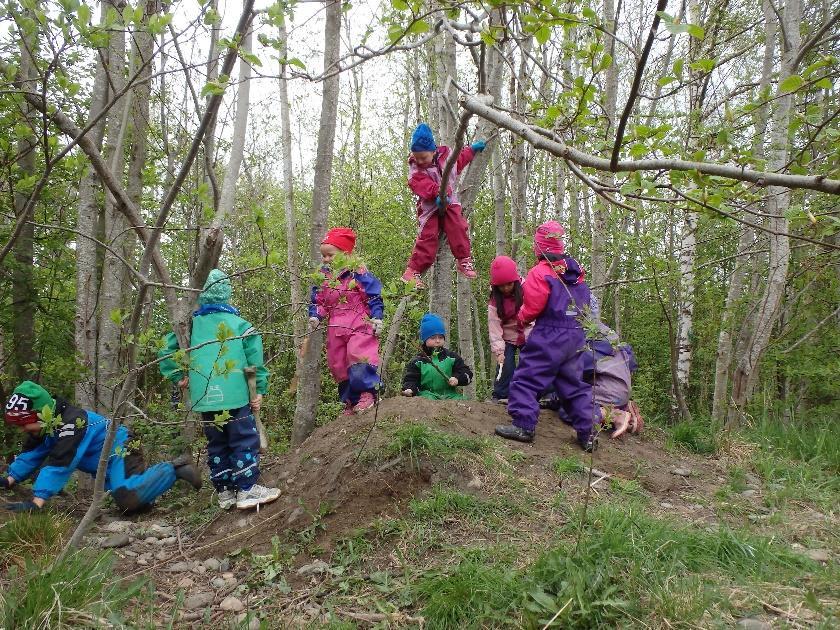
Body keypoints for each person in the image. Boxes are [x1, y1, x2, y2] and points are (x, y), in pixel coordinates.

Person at [159, 269, 279, 511]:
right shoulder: (241, 325)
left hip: (205, 398)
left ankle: (225, 491)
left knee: (217, 442)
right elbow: (254, 364)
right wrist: (258, 391)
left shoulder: (189, 327)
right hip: (236, 397)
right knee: (244, 438)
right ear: (227, 295)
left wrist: (178, 375)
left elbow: (165, 350)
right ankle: (246, 489)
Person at [1, 381, 201, 513]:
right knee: (129, 506)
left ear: (40, 414)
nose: (23, 430)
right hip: (105, 465)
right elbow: (31, 454)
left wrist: (37, 502)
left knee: (127, 497)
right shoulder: (45, 427)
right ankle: (144, 497)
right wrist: (8, 480)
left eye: (23, 424)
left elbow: (62, 462)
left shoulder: (72, 422)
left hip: (121, 447)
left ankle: (176, 468)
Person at [495, 221, 601, 452]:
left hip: (549, 332)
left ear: (539, 247)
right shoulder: (577, 273)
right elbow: (584, 304)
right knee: (573, 385)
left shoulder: (540, 272)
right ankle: (589, 432)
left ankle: (523, 425)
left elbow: (533, 306)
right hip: (576, 334)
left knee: (527, 378)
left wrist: (521, 317)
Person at [309, 227, 383, 415]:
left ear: (345, 253)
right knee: (339, 365)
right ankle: (350, 401)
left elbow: (373, 295)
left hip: (359, 323)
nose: (326, 259)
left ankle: (367, 393)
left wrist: (377, 317)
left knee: (359, 356)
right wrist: (316, 315)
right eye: (323, 256)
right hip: (335, 327)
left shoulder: (358, 273)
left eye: (330, 255)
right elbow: (320, 300)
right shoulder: (324, 277)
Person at [401, 123, 486, 287]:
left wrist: (472, 150)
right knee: (428, 237)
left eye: (423, 157)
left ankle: (463, 259)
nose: (420, 161)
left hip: (450, 202)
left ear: (433, 152)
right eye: (416, 157)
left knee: (458, 226)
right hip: (429, 208)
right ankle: (413, 271)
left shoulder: (446, 159)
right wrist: (437, 193)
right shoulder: (415, 169)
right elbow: (420, 184)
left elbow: (459, 160)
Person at [541, 322, 643, 437]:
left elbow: (569, 377)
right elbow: (632, 365)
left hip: (610, 392)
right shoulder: (618, 346)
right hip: (622, 391)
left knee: (570, 409)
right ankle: (624, 408)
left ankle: (616, 415)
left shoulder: (589, 352)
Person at [402, 313, 473, 400]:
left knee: (464, 402)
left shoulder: (451, 357)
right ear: (424, 339)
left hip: (450, 396)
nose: (437, 341)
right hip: (427, 395)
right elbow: (411, 380)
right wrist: (410, 389)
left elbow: (467, 373)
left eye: (440, 337)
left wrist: (457, 379)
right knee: (425, 403)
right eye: (433, 338)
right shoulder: (418, 361)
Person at [487, 255, 527, 403]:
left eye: (509, 284)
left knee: (532, 362)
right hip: (507, 336)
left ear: (515, 281)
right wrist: (499, 351)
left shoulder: (527, 289)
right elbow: (494, 326)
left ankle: (540, 394)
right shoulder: (494, 300)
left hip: (528, 333)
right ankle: (501, 394)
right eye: (501, 286)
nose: (505, 288)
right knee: (505, 365)